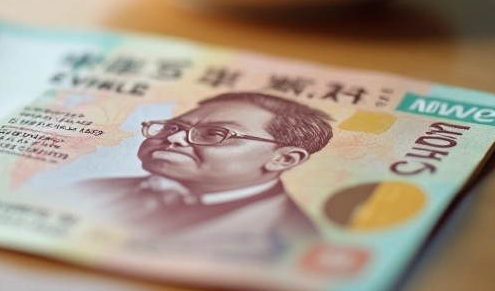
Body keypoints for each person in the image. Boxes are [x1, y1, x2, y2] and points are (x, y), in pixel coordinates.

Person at [78, 92, 334, 259]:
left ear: (284, 158)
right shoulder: (89, 188)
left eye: (213, 134)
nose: (174, 138)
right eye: (174, 127)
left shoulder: (289, 242)